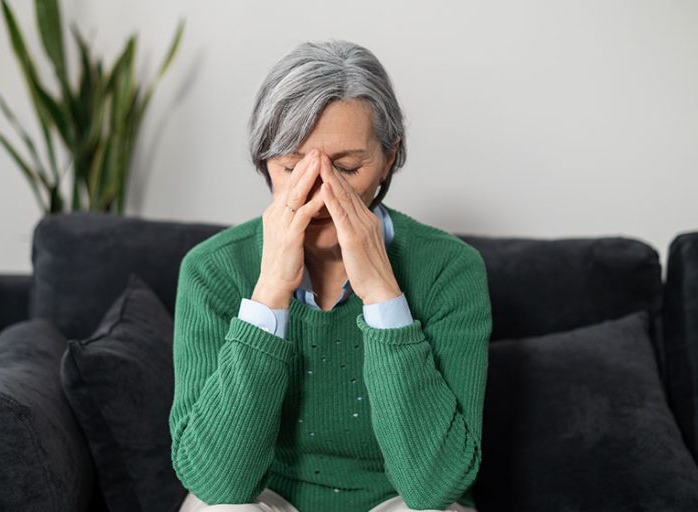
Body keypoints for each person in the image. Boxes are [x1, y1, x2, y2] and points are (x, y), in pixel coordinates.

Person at [169, 39, 492, 512]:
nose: (321, 193)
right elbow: (217, 485)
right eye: (292, 167)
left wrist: (384, 297)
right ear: (265, 163)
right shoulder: (212, 269)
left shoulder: (451, 270)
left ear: (388, 158)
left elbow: (435, 487)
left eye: (346, 167)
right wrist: (269, 295)